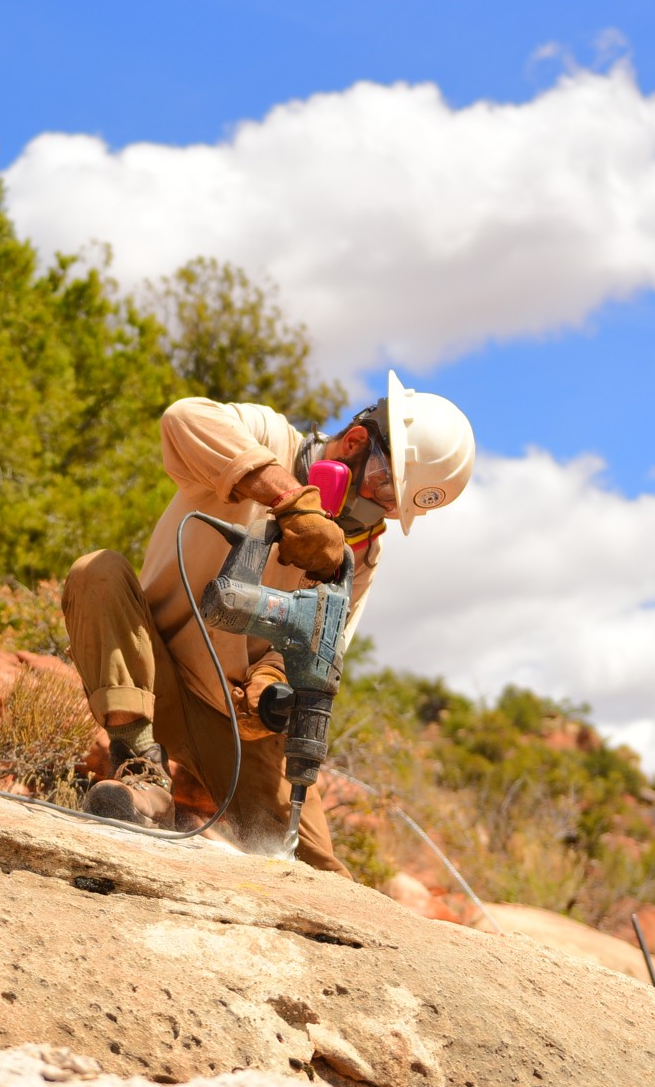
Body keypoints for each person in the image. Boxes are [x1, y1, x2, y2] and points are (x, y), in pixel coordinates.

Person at [61, 371, 474, 875]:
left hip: (237, 720)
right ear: (357, 442)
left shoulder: (359, 555)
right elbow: (184, 418)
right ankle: (139, 768)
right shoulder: (270, 437)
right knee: (95, 573)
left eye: (394, 507)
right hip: (154, 668)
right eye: (384, 489)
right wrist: (291, 500)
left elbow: (324, 641)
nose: (380, 511)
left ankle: (180, 816)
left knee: (315, 872)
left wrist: (273, 679)